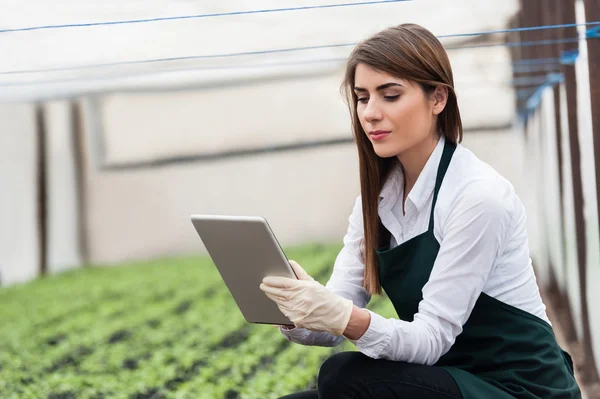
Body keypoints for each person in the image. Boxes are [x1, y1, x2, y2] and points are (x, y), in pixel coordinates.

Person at [259, 23, 581, 399]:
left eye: (390, 95)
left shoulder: (478, 196)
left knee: (344, 376)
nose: (371, 113)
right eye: (362, 98)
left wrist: (345, 317)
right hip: (448, 378)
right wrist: (296, 305)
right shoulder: (375, 201)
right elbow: (330, 327)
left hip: (517, 389)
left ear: (438, 99)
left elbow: (430, 340)